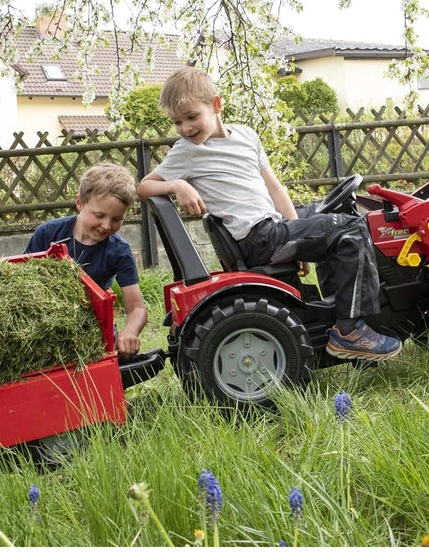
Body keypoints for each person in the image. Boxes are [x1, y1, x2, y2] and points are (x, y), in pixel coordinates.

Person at [136, 66, 402, 362]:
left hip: (273, 227)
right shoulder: (187, 151)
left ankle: (339, 314)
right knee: (351, 228)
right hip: (258, 237)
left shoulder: (247, 136)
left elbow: (275, 190)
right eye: (177, 122)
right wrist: (178, 184)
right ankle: (350, 331)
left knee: (331, 214)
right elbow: (144, 187)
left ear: (216, 105)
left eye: (191, 117)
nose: (185, 128)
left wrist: (296, 229)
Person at [26, 162, 147, 358]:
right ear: (79, 203)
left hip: (93, 327)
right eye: (99, 215)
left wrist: (130, 331)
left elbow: (137, 308)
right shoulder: (48, 233)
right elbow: (23, 279)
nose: (107, 225)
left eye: (117, 219)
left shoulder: (119, 251)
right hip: (44, 324)